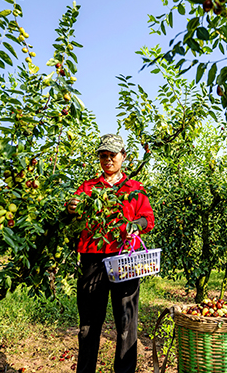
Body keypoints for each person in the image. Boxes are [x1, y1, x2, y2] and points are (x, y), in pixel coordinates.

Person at [67, 133, 155, 373]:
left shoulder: (134, 189)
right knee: (88, 324)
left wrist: (133, 226)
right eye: (103, 156)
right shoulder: (88, 188)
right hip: (93, 260)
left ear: (123, 157)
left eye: (112, 155)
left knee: (127, 322)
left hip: (125, 259)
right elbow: (71, 210)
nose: (107, 160)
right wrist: (72, 208)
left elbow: (148, 219)